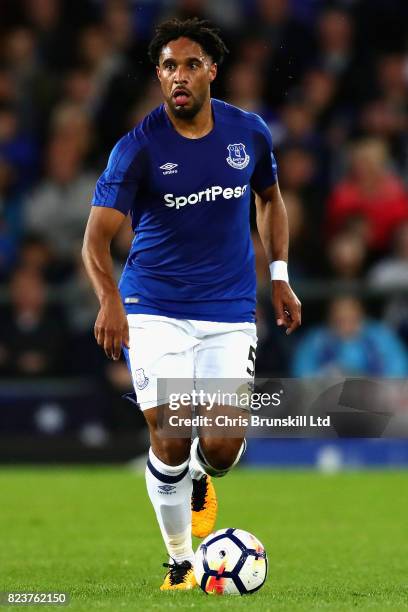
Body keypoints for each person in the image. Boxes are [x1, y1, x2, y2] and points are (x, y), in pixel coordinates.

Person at [82, 18, 301, 591]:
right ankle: (181, 560)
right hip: (154, 306)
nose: (178, 76)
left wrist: (279, 275)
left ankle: (203, 477)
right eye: (168, 67)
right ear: (159, 76)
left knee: (223, 448)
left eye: (190, 65)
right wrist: (110, 300)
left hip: (229, 311)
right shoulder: (137, 148)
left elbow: (271, 201)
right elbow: (95, 239)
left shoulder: (248, 133)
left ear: (212, 71)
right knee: (173, 434)